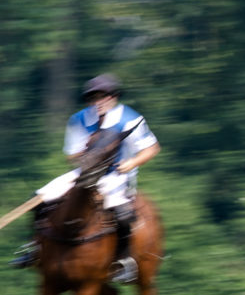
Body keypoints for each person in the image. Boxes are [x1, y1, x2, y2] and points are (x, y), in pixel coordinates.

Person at [11, 74, 160, 283]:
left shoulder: (130, 119)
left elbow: (151, 148)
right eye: (93, 98)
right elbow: (71, 154)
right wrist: (85, 158)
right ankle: (35, 247)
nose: (98, 102)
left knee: (121, 211)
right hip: (84, 174)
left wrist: (132, 163)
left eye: (103, 97)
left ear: (114, 97)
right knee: (40, 196)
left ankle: (125, 262)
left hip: (117, 175)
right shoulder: (79, 119)